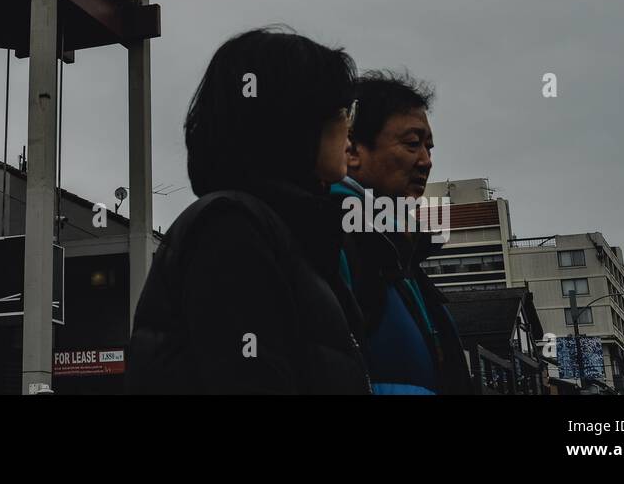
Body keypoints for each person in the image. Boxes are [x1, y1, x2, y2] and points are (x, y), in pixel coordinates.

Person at [127, 27, 370, 394]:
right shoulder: (231, 230)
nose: (349, 126)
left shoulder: (288, 232)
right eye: (341, 110)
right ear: (293, 120)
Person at [334, 70, 472, 394]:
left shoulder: (398, 249)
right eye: (412, 144)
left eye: (429, 147)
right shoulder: (336, 241)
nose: (426, 161)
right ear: (351, 149)